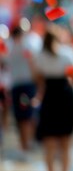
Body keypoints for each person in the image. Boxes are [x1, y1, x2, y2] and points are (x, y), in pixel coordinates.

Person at [34, 26, 73, 171]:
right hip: (64, 96)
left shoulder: (40, 56)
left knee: (49, 142)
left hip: (49, 97)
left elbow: (38, 78)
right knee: (65, 142)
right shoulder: (68, 54)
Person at [6, 24, 40, 160]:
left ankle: (24, 143)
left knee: (20, 117)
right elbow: (32, 63)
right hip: (26, 85)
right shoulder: (26, 47)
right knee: (26, 115)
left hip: (16, 86)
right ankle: (26, 144)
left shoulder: (9, 48)